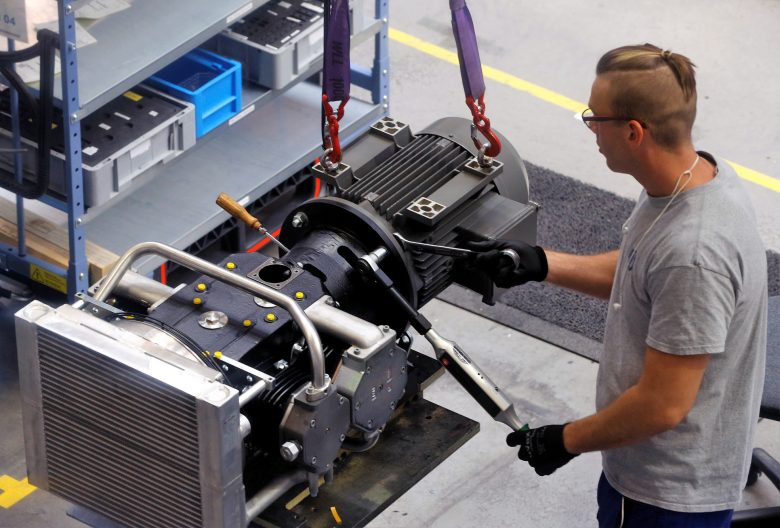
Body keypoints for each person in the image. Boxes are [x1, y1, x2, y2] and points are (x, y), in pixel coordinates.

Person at [469, 43, 768, 527]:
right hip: (644, 465)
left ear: (633, 132)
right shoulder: (694, 180)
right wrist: (540, 263)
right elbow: (640, 270)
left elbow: (662, 406)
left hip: (667, 493)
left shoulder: (694, 253)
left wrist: (563, 440)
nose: (590, 128)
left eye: (595, 118)